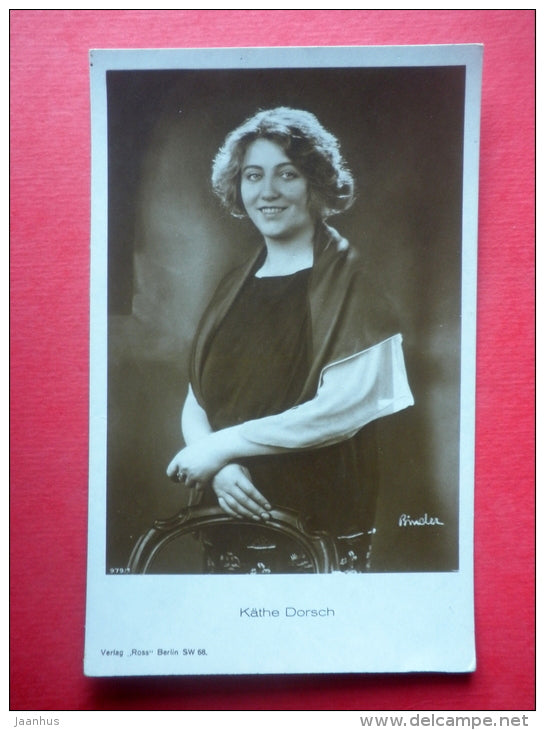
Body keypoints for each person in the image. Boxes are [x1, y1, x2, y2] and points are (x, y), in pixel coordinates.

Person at [166, 107, 414, 572]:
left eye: (287, 174)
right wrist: (218, 465)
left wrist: (219, 448)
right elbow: (199, 397)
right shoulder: (234, 285)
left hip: (317, 515)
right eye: (253, 175)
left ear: (314, 183)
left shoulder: (353, 279)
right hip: (228, 505)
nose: (268, 192)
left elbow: (339, 411)